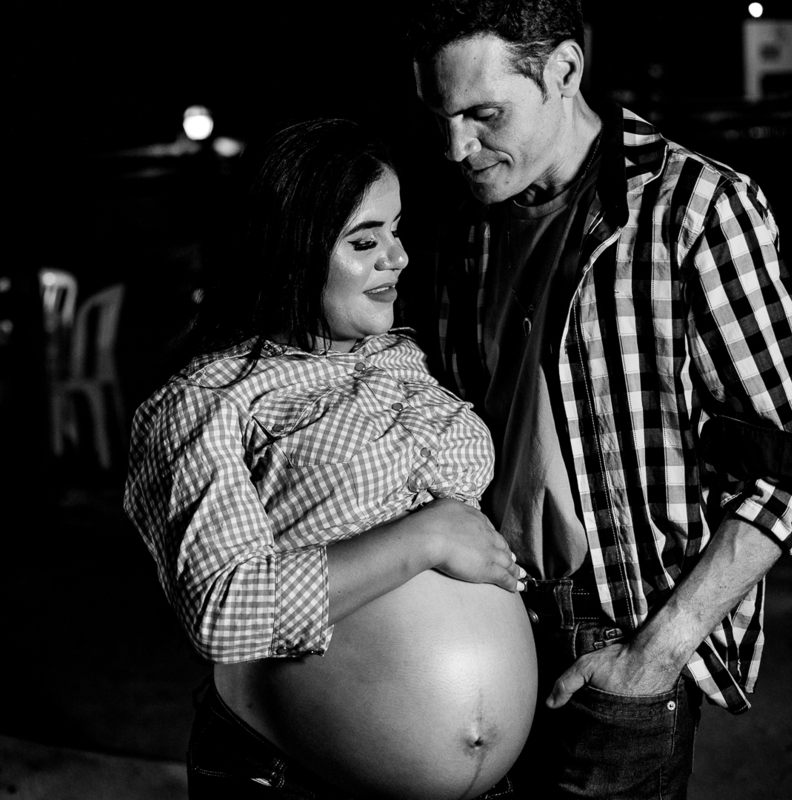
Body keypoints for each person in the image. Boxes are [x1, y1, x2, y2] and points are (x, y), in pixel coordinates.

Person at [405, 1, 792, 798]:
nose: (457, 148)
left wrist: (659, 649)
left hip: (618, 624)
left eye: (484, 114)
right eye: (440, 119)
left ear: (565, 71)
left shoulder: (697, 209)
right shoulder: (462, 231)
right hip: (480, 619)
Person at [124, 119, 539, 799]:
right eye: (365, 241)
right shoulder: (210, 399)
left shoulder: (402, 361)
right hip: (301, 781)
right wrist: (424, 539)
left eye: (396, 230)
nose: (398, 257)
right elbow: (226, 609)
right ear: (290, 253)